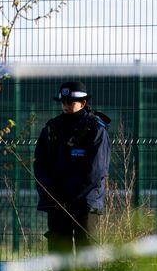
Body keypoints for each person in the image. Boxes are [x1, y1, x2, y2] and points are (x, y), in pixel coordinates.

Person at [34, 81, 111, 258]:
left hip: (85, 202)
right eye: (63, 102)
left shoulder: (96, 129)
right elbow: (40, 164)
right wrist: (50, 193)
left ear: (83, 103)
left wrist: (69, 195)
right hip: (56, 200)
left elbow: (96, 170)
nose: (66, 106)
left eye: (71, 102)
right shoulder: (51, 127)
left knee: (86, 251)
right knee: (60, 249)